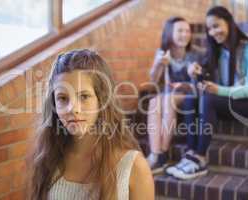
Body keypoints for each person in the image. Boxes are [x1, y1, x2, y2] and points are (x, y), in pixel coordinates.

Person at [26, 49, 155, 200]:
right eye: (62, 98)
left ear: (102, 100)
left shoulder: (133, 167)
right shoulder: (47, 159)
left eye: (84, 96)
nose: (72, 109)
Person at [166, 6, 248, 180]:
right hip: (228, 102)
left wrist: (218, 90)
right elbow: (205, 79)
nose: (213, 32)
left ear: (228, 22)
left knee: (209, 99)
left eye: (216, 26)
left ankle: (200, 158)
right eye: (210, 29)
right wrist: (195, 71)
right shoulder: (218, 50)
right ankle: (191, 153)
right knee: (191, 99)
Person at [146, 17, 203, 174]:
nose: (184, 34)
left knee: (167, 100)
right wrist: (158, 63)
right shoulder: (163, 52)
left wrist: (188, 80)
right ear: (169, 33)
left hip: (189, 95)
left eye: (187, 31)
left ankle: (162, 154)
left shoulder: (195, 54)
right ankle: (155, 154)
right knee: (154, 102)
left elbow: (200, 84)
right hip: (168, 95)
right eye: (180, 30)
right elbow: (153, 80)